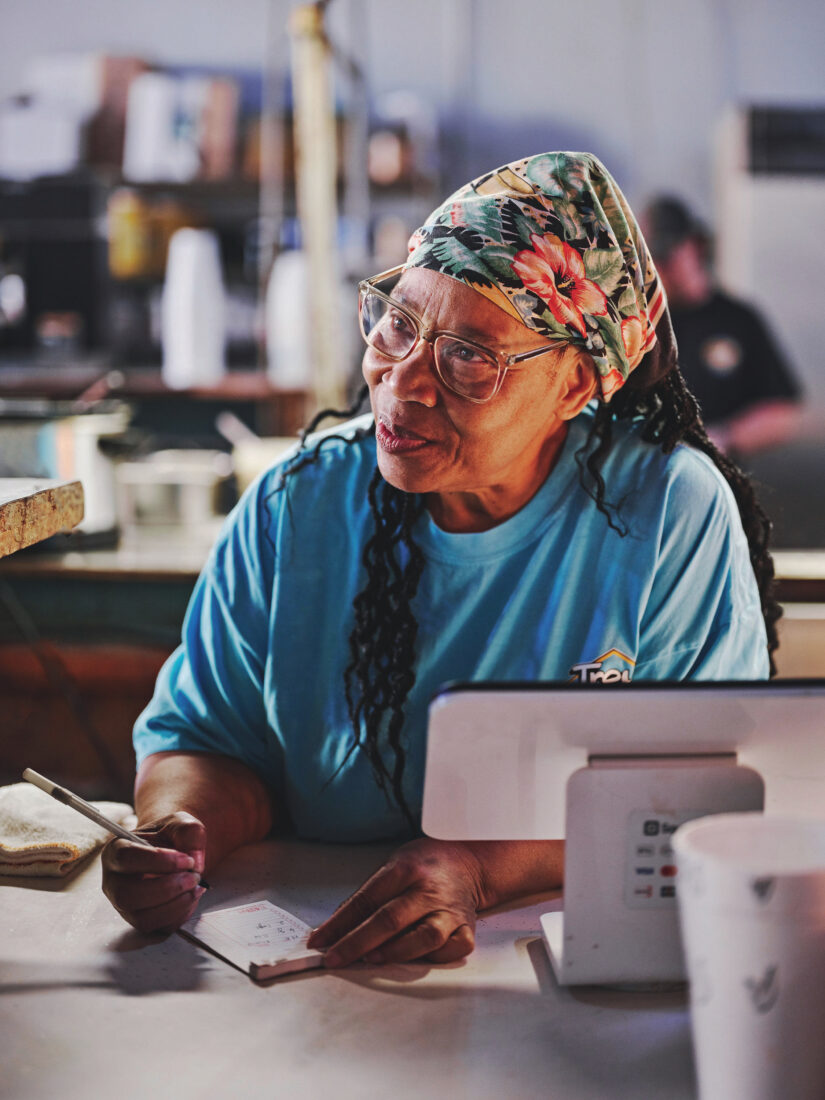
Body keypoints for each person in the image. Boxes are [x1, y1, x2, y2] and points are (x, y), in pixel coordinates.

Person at [102, 152, 778, 968]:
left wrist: (480, 871)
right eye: (398, 323)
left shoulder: (665, 513)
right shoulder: (298, 506)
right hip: (313, 960)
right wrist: (180, 835)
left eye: (468, 356)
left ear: (573, 387)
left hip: (557, 958)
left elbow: (694, 794)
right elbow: (208, 741)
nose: (404, 382)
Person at [642, 196, 802, 459]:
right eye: (653, 258)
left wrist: (724, 437)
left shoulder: (738, 319)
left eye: (669, 253)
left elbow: (782, 412)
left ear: (696, 246)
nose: (664, 267)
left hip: (717, 478)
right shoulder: (641, 324)